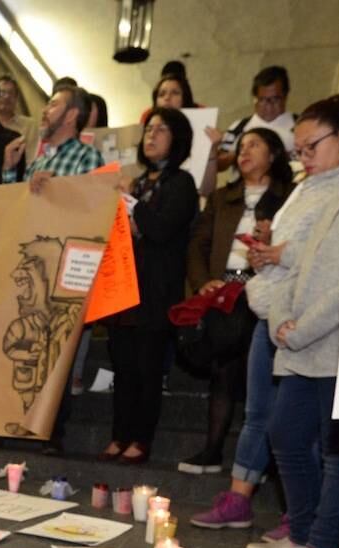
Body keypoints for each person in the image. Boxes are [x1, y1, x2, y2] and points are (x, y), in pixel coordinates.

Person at [240, 94, 339, 548]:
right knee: (285, 432)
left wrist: (302, 324)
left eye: (314, 145)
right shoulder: (311, 190)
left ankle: (323, 544)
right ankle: (303, 531)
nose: (304, 157)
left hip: (331, 332)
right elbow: (291, 263)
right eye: (300, 149)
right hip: (294, 330)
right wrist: (280, 318)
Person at [178, 128, 294, 476]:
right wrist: (202, 283)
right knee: (224, 372)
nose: (244, 152)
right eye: (241, 146)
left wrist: (271, 237)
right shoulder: (222, 196)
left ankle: (268, 459)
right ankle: (213, 450)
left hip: (266, 294)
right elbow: (197, 244)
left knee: (264, 378)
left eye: (254, 145)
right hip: (224, 292)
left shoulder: (290, 197)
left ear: (273, 155)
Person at [2, 85, 104, 454]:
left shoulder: (88, 158)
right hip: (34, 274)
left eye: (54, 104)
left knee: (57, 350)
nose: (45, 111)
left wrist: (58, 189)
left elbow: (94, 210)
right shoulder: (37, 161)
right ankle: (22, 422)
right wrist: (12, 174)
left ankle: (51, 431)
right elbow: (17, 215)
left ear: (72, 115)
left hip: (66, 274)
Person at [102, 109, 197, 466]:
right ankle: (119, 434)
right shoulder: (138, 181)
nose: (152, 135)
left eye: (161, 130)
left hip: (156, 292)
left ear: (178, 138)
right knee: (123, 368)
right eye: (148, 129)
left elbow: (160, 230)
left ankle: (141, 438)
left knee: (146, 368)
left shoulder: (181, 184)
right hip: (123, 290)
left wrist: (132, 203)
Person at [210, 67, 295, 178]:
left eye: (275, 99)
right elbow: (219, 166)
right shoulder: (239, 127)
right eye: (263, 99)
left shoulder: (299, 125)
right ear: (255, 98)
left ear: (285, 96)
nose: (268, 105)